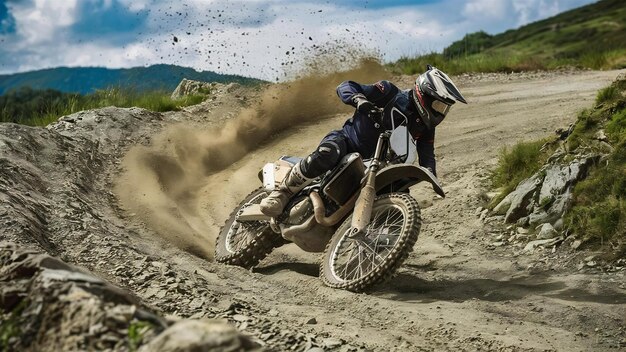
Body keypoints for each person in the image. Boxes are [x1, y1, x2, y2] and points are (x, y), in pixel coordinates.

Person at [260, 65, 467, 217]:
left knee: (399, 194)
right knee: (327, 153)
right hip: (347, 142)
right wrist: (360, 100)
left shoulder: (425, 127)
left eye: (444, 108)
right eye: (438, 105)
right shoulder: (389, 92)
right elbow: (346, 86)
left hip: (374, 167)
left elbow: (427, 155)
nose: (440, 112)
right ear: (424, 93)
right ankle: (282, 193)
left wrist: (431, 176)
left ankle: (386, 242)